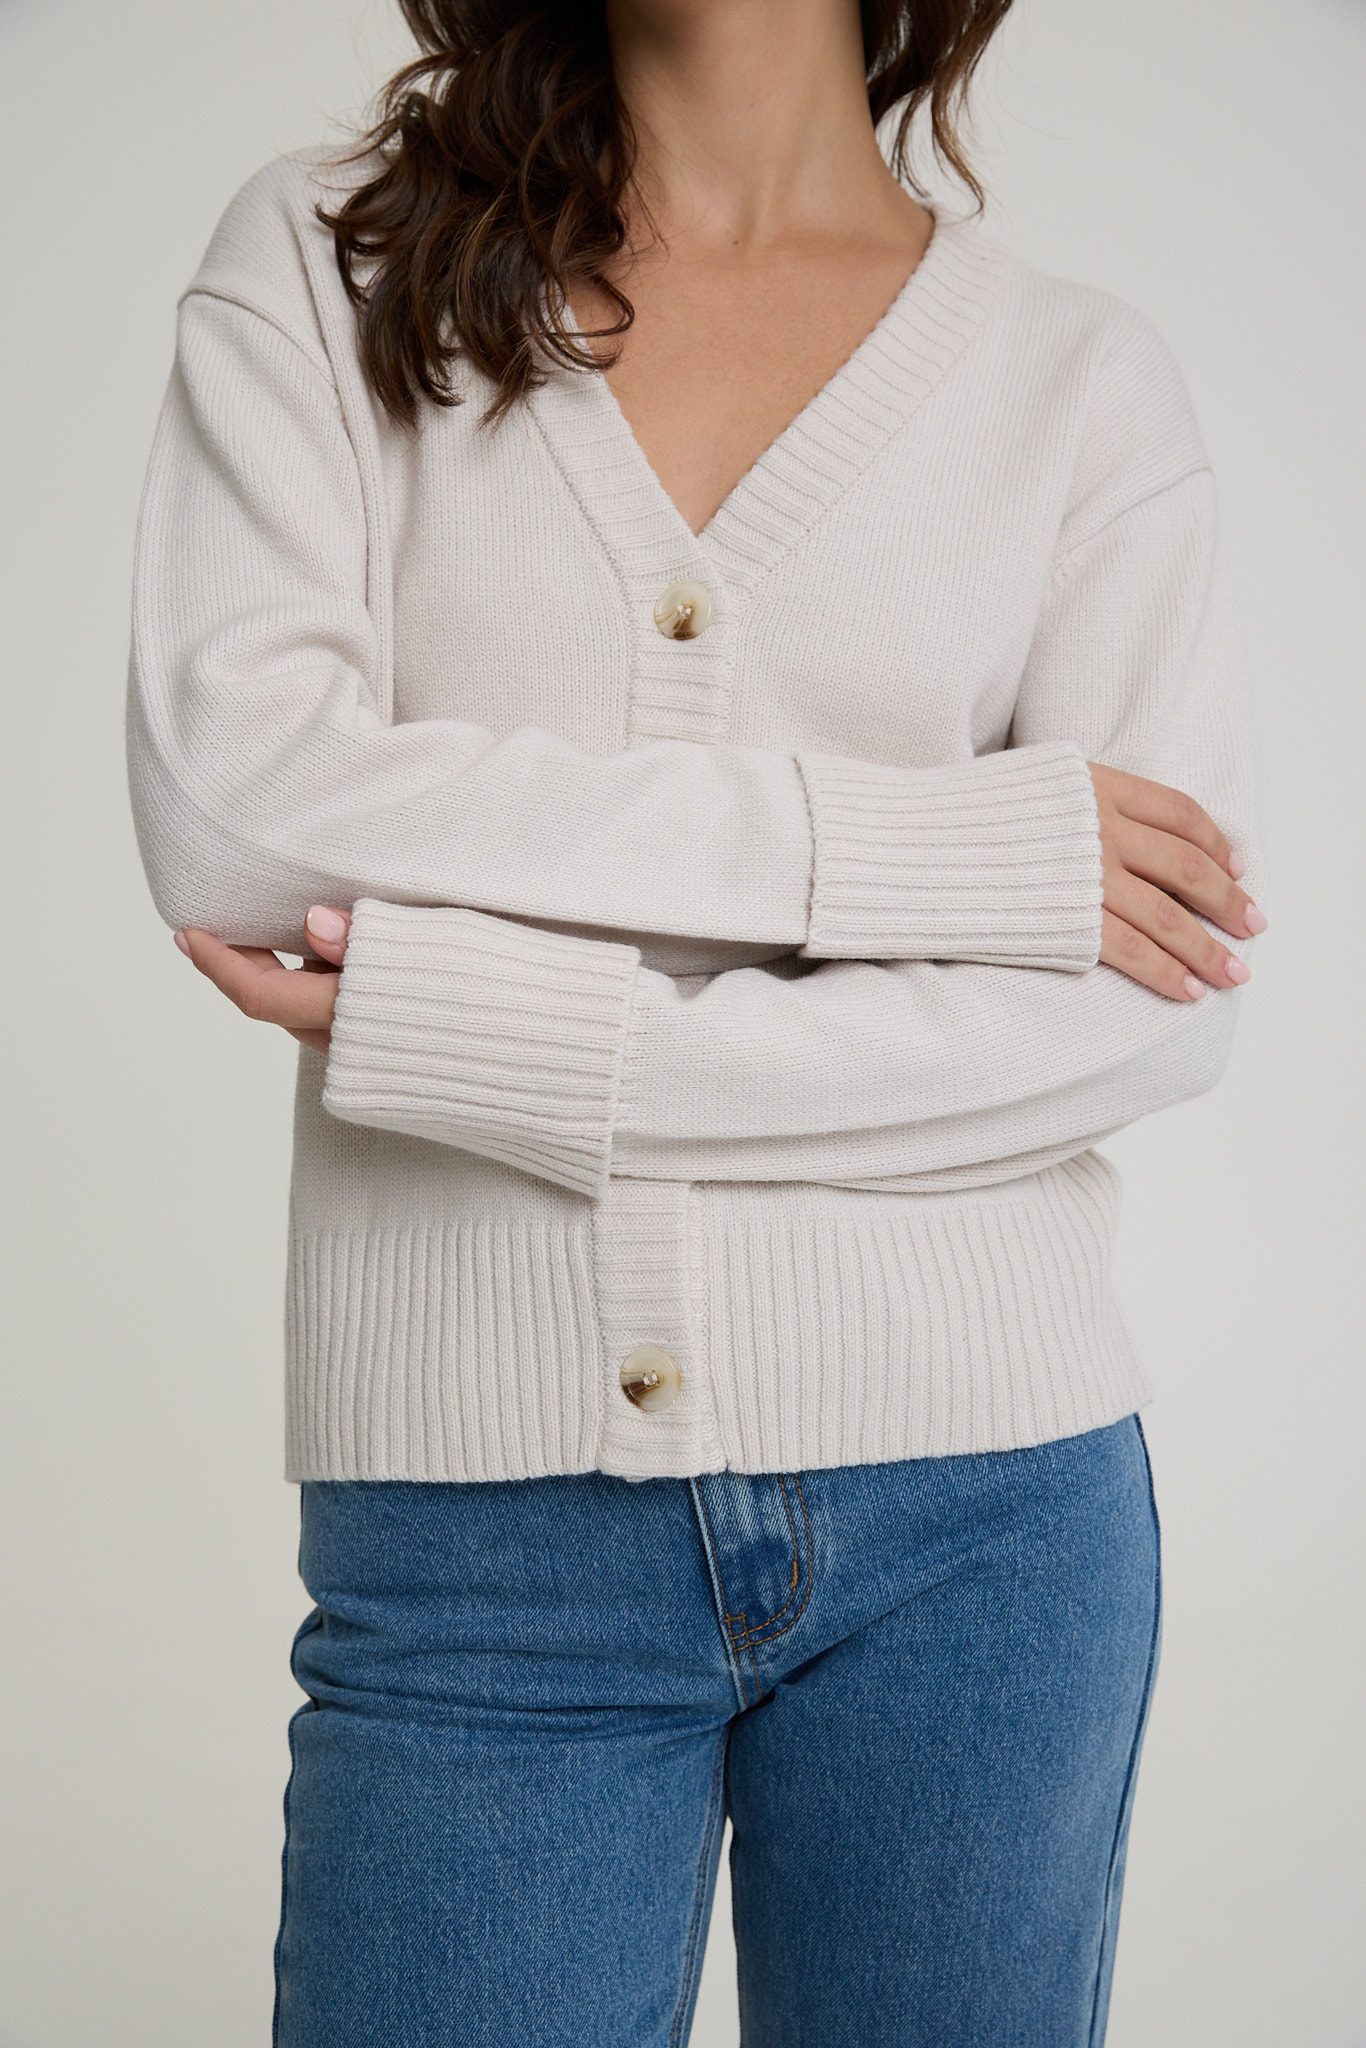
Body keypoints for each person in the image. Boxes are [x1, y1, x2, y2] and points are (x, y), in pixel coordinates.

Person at [124, 1, 1268, 2041]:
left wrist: (523, 1047)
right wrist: (917, 853)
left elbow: (1143, 1002)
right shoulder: (335, 261)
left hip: (985, 1523)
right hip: (476, 1542)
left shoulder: (1075, 382)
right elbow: (247, 818)